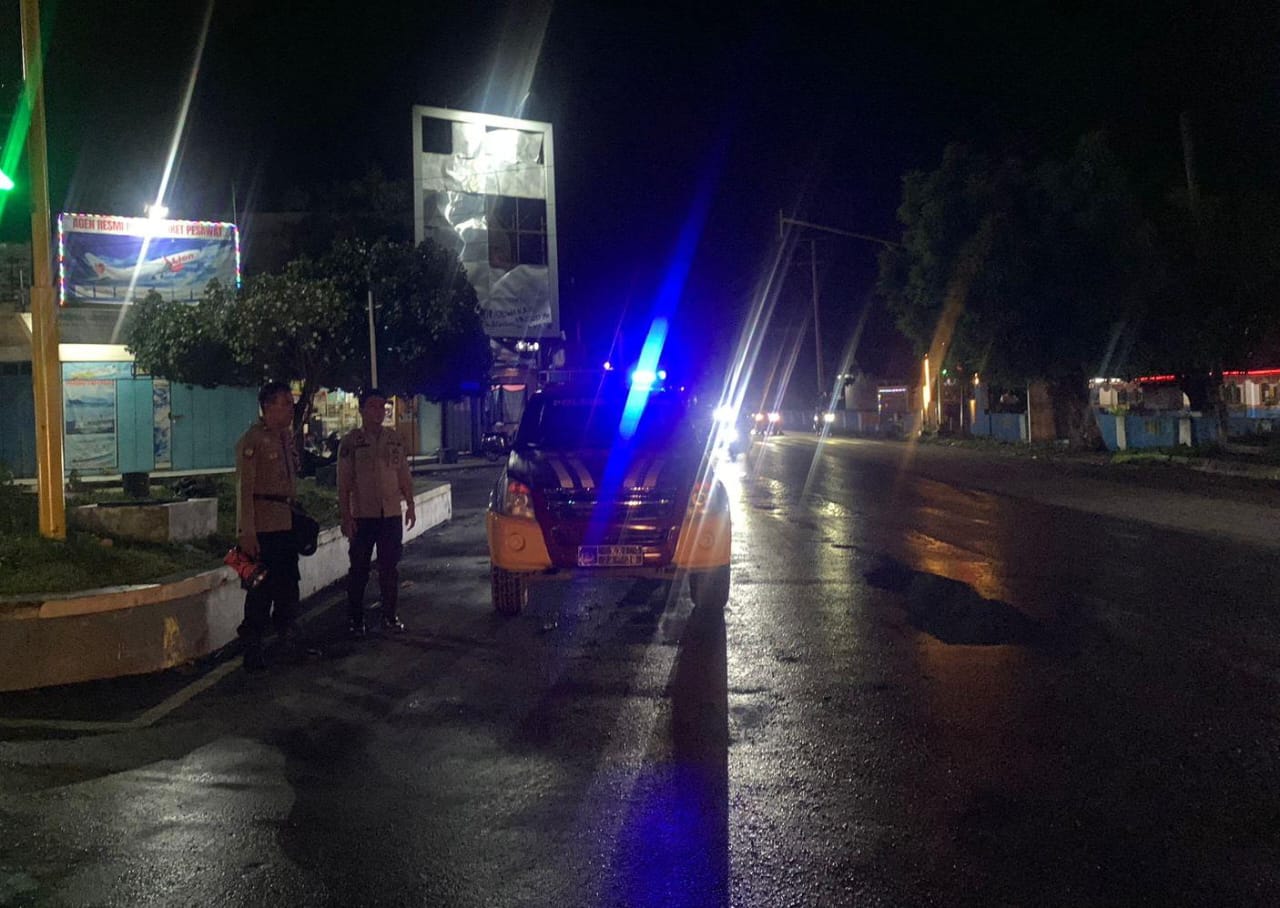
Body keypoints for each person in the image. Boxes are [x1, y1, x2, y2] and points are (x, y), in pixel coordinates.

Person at [235, 380, 305, 670]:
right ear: (267, 406)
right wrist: (246, 531)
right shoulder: (252, 441)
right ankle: (253, 651)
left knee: (288, 587)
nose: (291, 408)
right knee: (260, 593)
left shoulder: (285, 438)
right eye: (285, 403)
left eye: (291, 403)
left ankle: (286, 641)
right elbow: (244, 490)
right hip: (263, 528)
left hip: (285, 524)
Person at [338, 388, 417, 637]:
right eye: (372, 406)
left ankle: (389, 616)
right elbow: (343, 484)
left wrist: (410, 504)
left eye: (382, 406)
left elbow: (403, 473)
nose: (379, 411)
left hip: (390, 514)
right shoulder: (351, 442)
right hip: (363, 515)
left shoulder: (394, 439)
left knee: (389, 568)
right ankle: (355, 620)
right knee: (359, 570)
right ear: (362, 410)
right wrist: (346, 516)